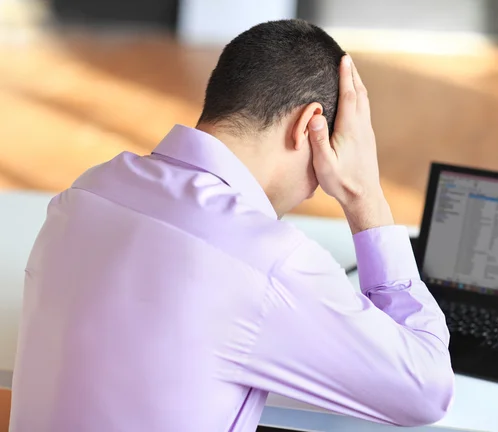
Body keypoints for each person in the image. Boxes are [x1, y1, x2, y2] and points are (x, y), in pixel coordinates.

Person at [9, 19, 454, 432]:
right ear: (309, 126)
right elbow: (426, 391)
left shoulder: (85, 194)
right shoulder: (269, 261)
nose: (314, 189)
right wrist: (365, 196)